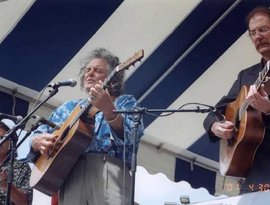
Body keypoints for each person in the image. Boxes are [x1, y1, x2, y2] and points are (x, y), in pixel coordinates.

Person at [29, 48, 144, 205]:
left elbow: (132, 137)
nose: (90, 73)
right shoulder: (69, 107)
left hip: (108, 169)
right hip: (69, 172)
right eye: (88, 70)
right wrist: (36, 142)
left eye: (97, 70)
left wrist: (109, 110)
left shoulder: (125, 102)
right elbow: (36, 134)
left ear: (113, 78)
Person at [204, 6, 270, 194]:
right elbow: (215, 113)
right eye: (253, 33)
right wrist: (216, 127)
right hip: (253, 178)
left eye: (263, 29)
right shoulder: (246, 76)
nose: (258, 36)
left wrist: (268, 109)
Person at [0, 119, 33, 205]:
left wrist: (7, 186)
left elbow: (25, 203)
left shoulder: (22, 167)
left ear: (10, 143)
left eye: (2, 138)